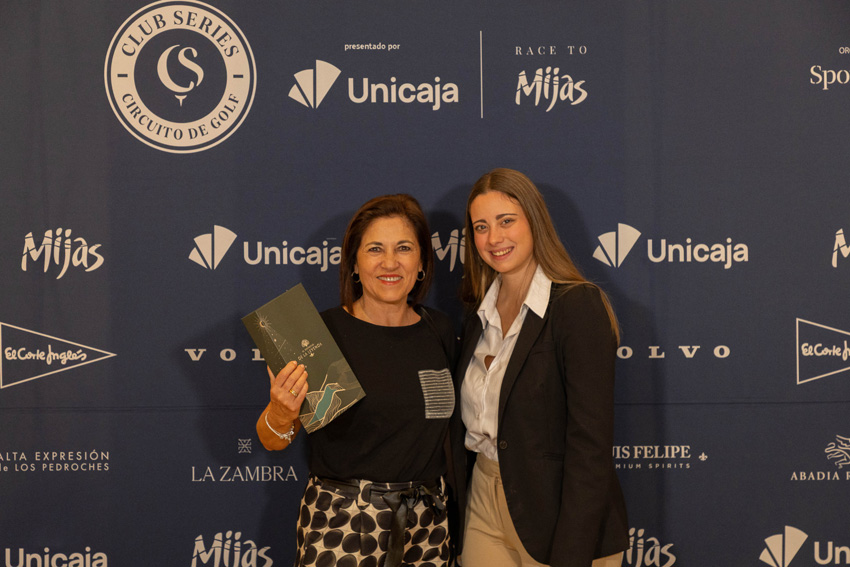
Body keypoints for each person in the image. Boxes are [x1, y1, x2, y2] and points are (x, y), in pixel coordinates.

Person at [256, 194, 465, 567]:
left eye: (404, 248)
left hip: (428, 525)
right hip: (342, 522)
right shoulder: (320, 333)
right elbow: (272, 440)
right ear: (354, 263)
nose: (390, 262)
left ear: (421, 263)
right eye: (375, 249)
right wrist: (281, 411)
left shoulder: (440, 330)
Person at [457, 169, 628, 567]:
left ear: (535, 221)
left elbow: (590, 446)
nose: (494, 238)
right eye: (481, 227)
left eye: (506, 221)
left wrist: (573, 551)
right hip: (483, 500)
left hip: (560, 515)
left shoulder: (577, 306)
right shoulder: (476, 314)